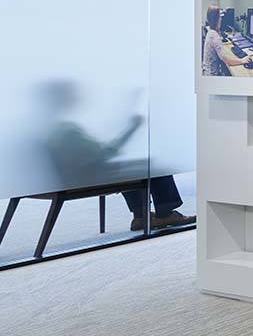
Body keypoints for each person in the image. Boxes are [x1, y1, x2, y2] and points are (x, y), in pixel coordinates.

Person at [42, 81, 193, 232]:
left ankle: (140, 216)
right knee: (156, 169)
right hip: (86, 179)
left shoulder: (53, 129)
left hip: (75, 177)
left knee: (136, 167)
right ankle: (165, 214)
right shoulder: (67, 131)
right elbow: (105, 153)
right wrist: (131, 128)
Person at [202, 5, 253, 76]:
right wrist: (242, 60)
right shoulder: (214, 35)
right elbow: (226, 60)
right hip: (212, 75)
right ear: (216, 19)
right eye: (220, 17)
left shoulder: (210, 32)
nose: (221, 19)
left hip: (207, 71)